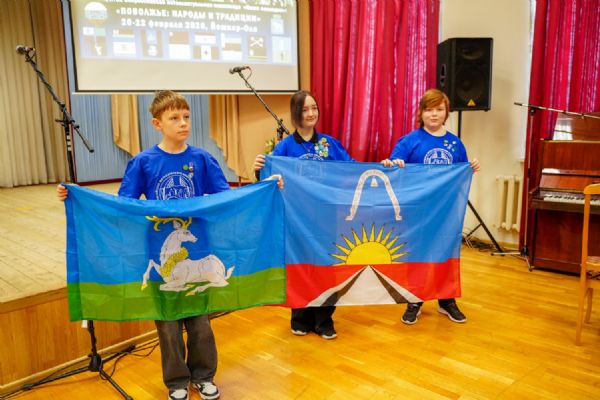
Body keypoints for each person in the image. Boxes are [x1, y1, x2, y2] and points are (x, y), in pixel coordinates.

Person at [58, 90, 227, 400]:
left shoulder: (202, 159)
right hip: (160, 250)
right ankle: (177, 381)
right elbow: (124, 205)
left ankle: (204, 375)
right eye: (174, 118)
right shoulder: (143, 162)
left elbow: (226, 197)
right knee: (167, 321)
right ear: (157, 123)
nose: (183, 123)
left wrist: (266, 186)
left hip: (199, 248)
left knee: (200, 319)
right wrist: (76, 197)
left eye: (186, 116)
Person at [253, 90, 352, 340]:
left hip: (327, 217)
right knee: (299, 266)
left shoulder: (330, 144)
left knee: (325, 267)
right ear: (296, 113)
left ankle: (324, 320)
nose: (310, 113)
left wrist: (383, 166)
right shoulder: (285, 147)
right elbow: (270, 179)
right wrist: (259, 169)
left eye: (314, 108)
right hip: (296, 218)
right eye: (305, 109)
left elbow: (352, 169)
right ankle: (300, 318)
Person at [381, 88, 481, 325]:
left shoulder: (455, 144)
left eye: (439, 109)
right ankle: (414, 299)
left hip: (446, 212)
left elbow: (459, 176)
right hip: (417, 211)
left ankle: (447, 300)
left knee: (446, 253)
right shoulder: (409, 141)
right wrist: (392, 164)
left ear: (446, 112)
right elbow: (392, 168)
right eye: (429, 109)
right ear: (421, 113)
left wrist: (470, 168)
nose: (434, 114)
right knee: (417, 254)